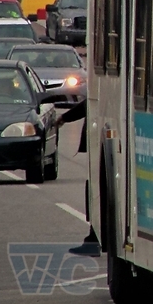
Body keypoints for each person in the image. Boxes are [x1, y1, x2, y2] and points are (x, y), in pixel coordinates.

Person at [56, 100, 100, 257]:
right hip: (100, 139)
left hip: (100, 140)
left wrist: (64, 117)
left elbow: (91, 102)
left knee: (96, 192)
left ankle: (93, 241)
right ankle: (93, 239)